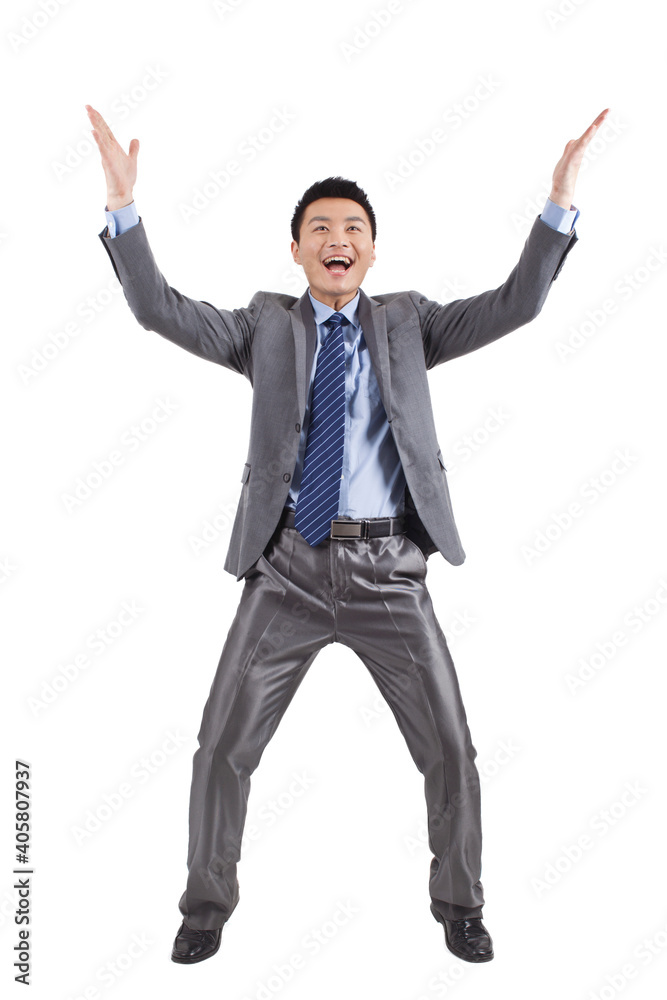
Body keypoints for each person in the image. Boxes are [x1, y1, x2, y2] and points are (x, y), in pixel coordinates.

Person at [86, 104, 609, 965]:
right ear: (294, 250)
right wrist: (121, 204)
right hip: (287, 569)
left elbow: (517, 305)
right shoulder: (265, 326)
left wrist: (557, 200)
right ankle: (206, 905)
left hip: (389, 573)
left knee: (450, 746)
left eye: (353, 228)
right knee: (221, 745)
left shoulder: (409, 322)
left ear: (372, 250)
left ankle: (459, 902)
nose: (338, 238)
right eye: (319, 228)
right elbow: (156, 308)